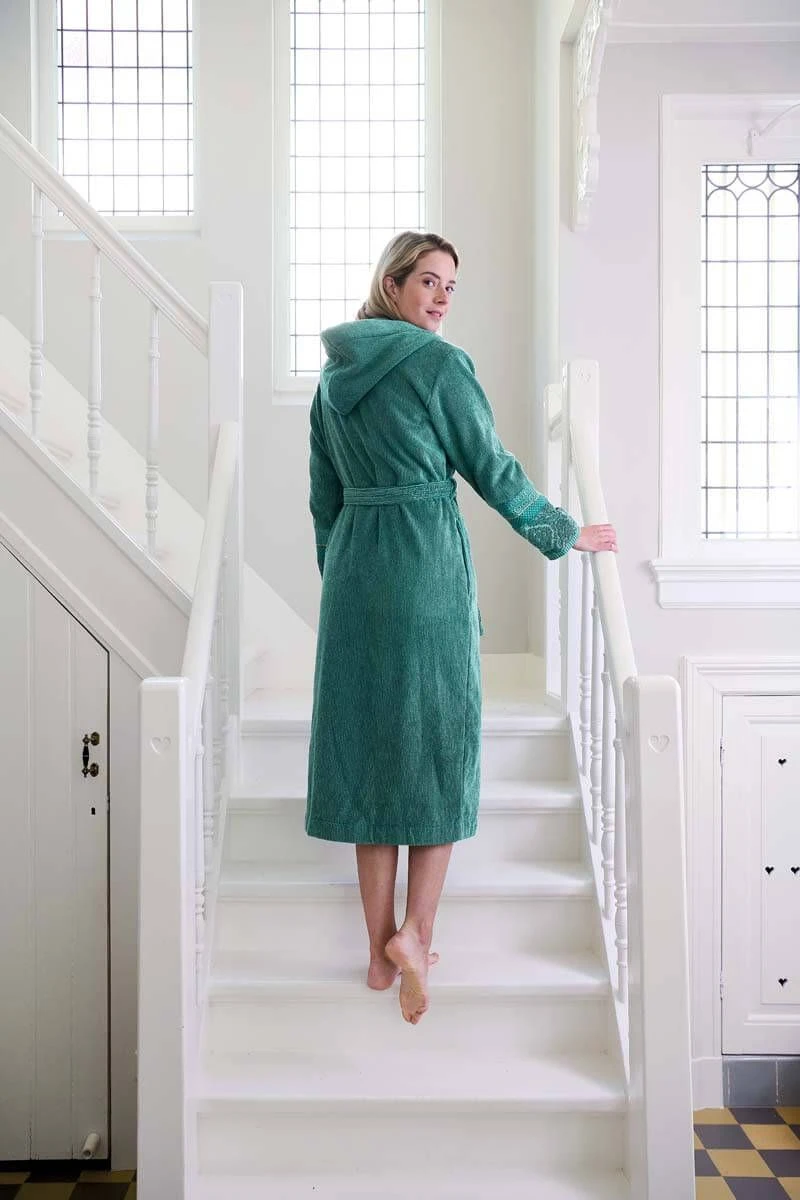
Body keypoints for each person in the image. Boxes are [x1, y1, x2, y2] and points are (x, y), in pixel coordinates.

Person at [306, 231, 617, 1026]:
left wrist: (343, 579)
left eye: (450, 286)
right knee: (438, 747)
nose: (442, 297)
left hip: (355, 576)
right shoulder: (437, 364)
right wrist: (561, 530)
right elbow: (490, 465)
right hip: (423, 568)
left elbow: (323, 500)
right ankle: (416, 934)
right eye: (428, 281)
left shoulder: (333, 378)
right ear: (392, 284)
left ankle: (378, 955)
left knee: (370, 759)